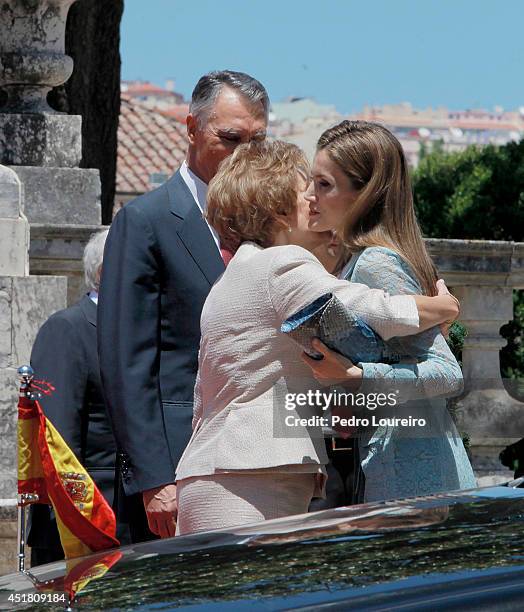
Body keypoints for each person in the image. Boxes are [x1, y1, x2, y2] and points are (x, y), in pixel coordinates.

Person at [174, 140, 461, 535]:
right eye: (304, 190)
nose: (313, 200)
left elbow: (205, 392)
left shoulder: (231, 279)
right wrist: (441, 308)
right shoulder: (281, 263)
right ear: (278, 209)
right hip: (254, 473)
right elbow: (367, 306)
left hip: (209, 471)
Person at [97, 70, 269, 540]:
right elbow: (125, 360)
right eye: (230, 138)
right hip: (176, 465)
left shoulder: (268, 228)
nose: (244, 154)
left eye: (257, 140)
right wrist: (154, 478)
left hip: (256, 462)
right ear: (192, 128)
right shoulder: (145, 220)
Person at [304, 120, 476, 506]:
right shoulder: (357, 259)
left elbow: (447, 373)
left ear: (364, 195)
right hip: (399, 469)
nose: (308, 195)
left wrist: (357, 376)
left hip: (411, 479)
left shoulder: (376, 263)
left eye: (324, 184)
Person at [27, 230, 129, 565]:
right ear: (104, 273)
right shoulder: (67, 328)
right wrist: (79, 518)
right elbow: (57, 437)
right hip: (81, 523)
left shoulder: (134, 330)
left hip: (128, 519)